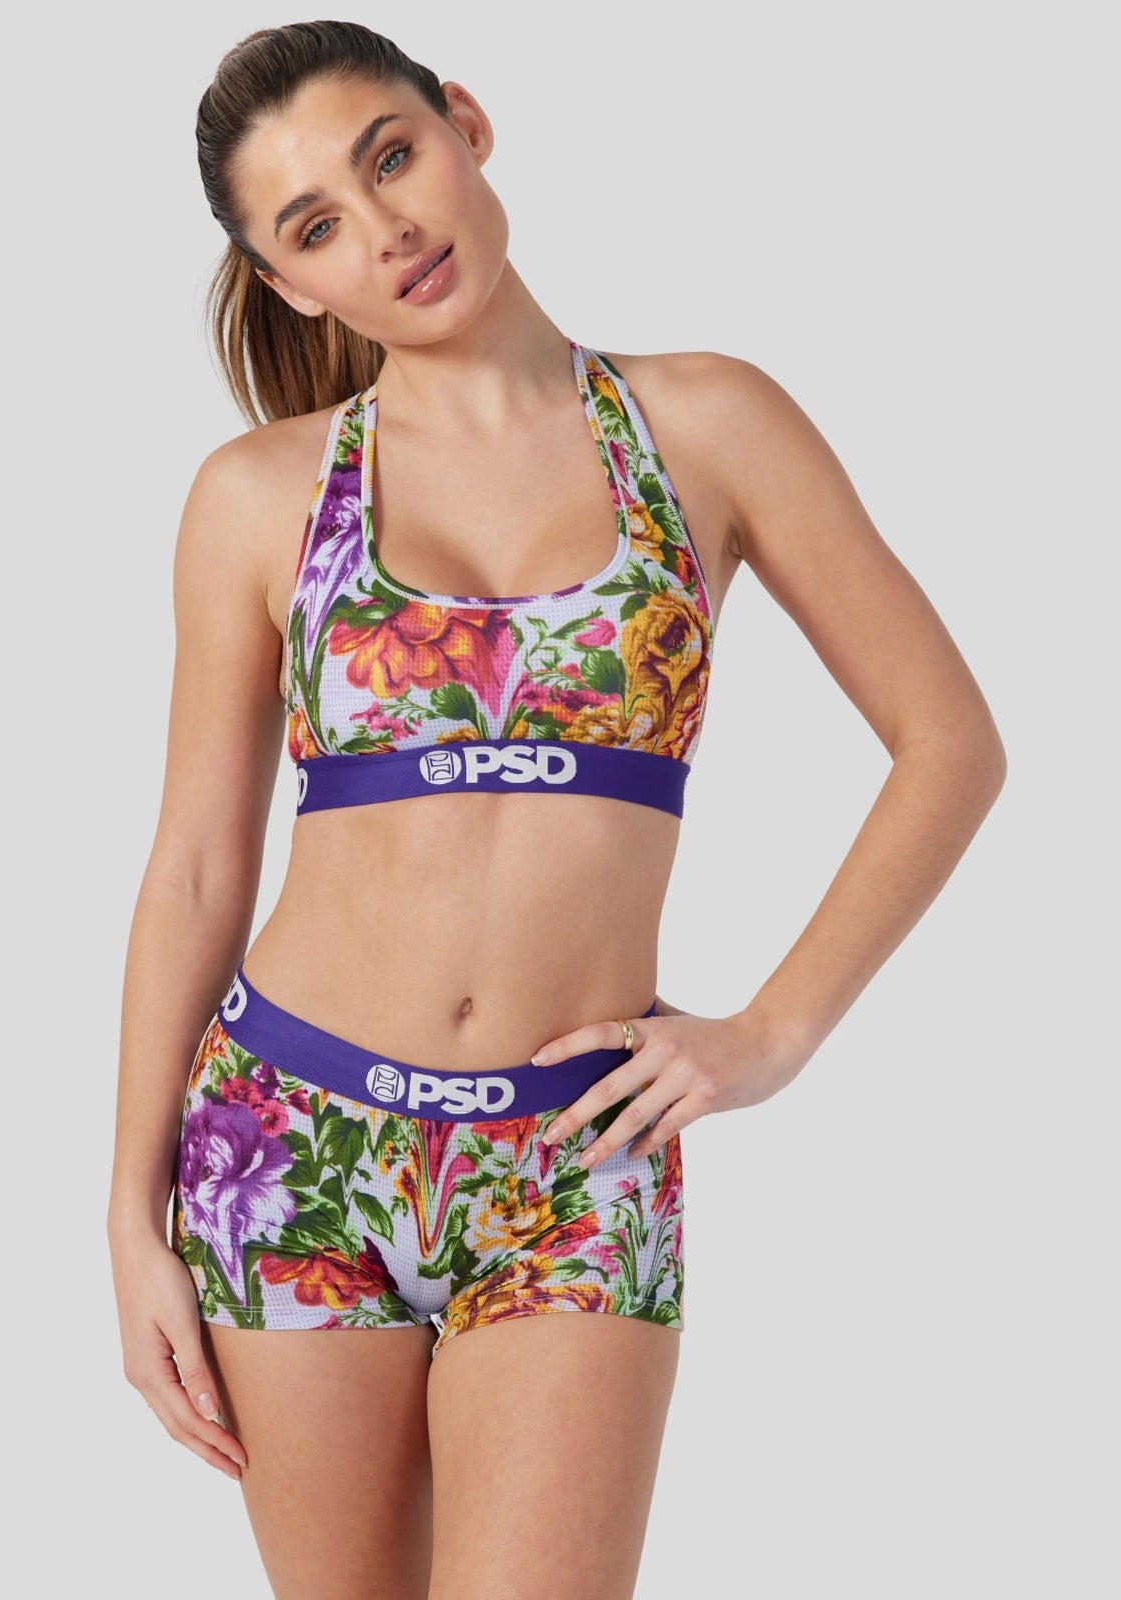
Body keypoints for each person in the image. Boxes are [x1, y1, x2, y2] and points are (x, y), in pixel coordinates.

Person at [107, 20, 1006, 1599]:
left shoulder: (705, 425)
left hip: (577, 1158)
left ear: (466, 123)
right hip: (286, 1144)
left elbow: (948, 741)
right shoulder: (257, 495)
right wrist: (129, 1217)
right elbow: (193, 869)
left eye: (391, 156)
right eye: (316, 225)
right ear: (289, 284)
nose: (386, 229)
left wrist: (771, 1035)